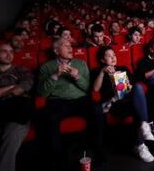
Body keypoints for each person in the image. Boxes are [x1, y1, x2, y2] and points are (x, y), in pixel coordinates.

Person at [37, 38, 105, 168]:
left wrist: (78, 77)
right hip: (58, 101)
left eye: (70, 45)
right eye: (65, 46)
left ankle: (98, 151)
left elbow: (88, 89)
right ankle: (57, 159)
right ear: (56, 51)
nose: (70, 48)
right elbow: (42, 93)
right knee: (50, 118)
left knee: (97, 109)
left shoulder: (81, 64)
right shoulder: (46, 67)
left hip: (81, 100)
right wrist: (55, 75)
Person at [92, 46, 154, 162]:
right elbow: (95, 89)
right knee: (138, 107)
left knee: (138, 89)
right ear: (102, 60)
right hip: (114, 104)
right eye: (109, 56)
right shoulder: (98, 71)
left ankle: (141, 139)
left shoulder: (123, 68)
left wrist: (126, 84)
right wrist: (102, 72)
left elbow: (134, 87)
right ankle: (140, 141)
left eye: (114, 55)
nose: (113, 57)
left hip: (127, 99)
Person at [0, 43, 34, 171]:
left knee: (11, 135)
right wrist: (10, 87)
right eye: (4, 51)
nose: (9, 54)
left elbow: (18, 90)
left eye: (11, 51)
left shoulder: (22, 71)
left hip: (16, 113)